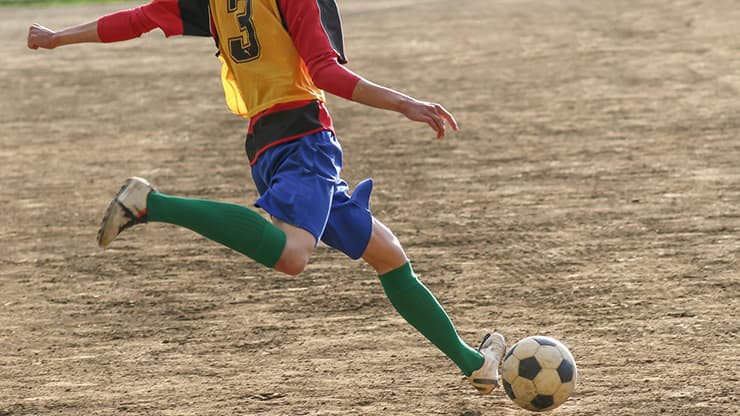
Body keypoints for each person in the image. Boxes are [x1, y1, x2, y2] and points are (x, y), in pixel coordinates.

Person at [27, 0, 506, 395]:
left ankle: (474, 362)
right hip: (304, 137)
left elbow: (138, 19)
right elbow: (325, 71)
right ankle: (151, 203)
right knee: (293, 254)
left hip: (265, 142)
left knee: (388, 255)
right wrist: (406, 103)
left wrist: (56, 37)